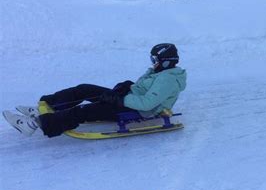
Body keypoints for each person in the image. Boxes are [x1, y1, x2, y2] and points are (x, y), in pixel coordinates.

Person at [4, 43, 187, 138]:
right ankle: (45, 106)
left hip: (136, 108)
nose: (152, 62)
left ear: (165, 60)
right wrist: (127, 87)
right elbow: (142, 89)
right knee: (85, 89)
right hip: (128, 99)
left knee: (85, 111)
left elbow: (148, 103)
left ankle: (35, 124)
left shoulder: (168, 79)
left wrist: (119, 100)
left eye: (154, 58)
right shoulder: (159, 72)